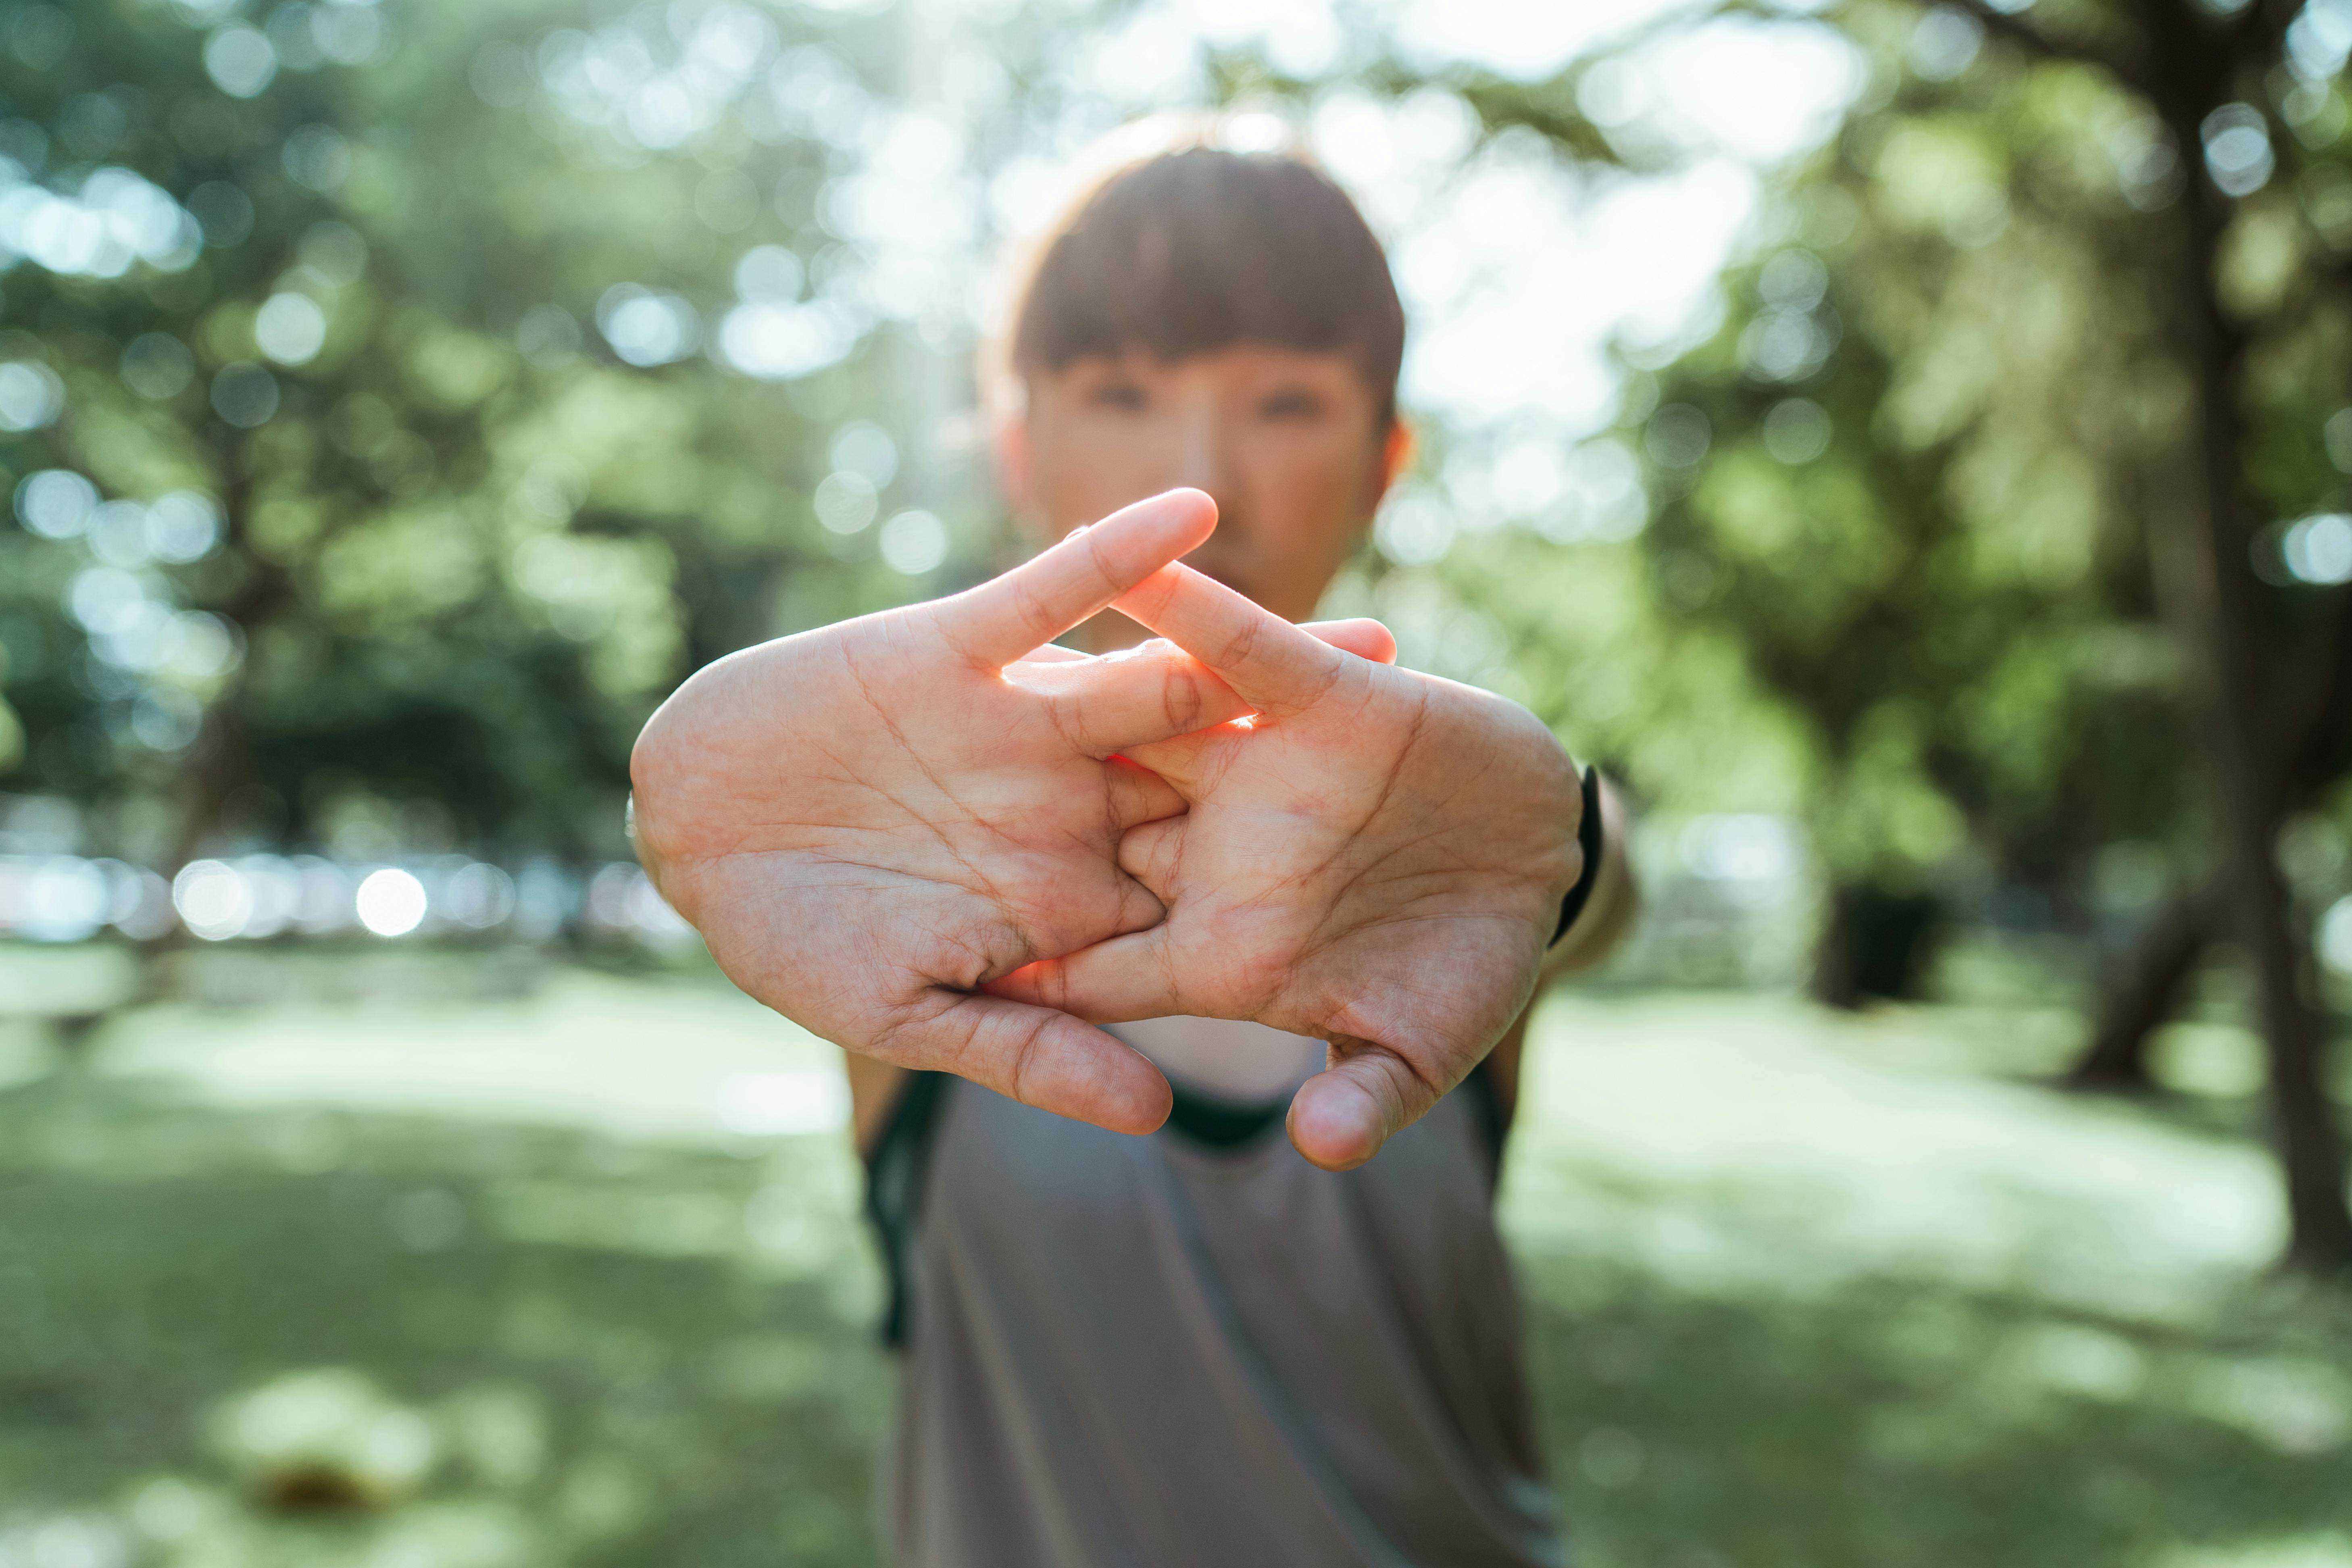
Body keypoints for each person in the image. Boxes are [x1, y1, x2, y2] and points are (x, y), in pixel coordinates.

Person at [629, 117, 1635, 1567]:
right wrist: (677, 800)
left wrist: (1559, 861)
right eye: (1120, 390)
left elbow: (1579, 864)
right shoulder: (927, 865)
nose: (1200, 466)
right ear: (1022, 444)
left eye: (1286, 400)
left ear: (1383, 459)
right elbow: (765, 854)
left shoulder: (1462, 845)